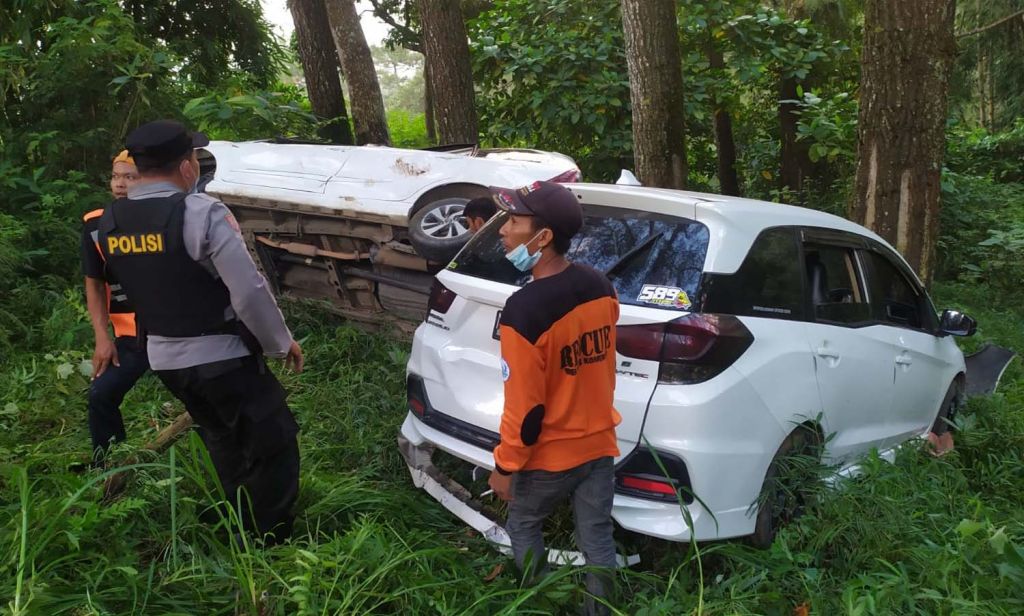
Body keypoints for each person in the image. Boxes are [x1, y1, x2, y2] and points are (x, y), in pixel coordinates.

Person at [97, 119, 304, 542]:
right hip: (222, 355)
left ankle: (237, 522)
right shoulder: (201, 213)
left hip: (165, 359)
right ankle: (271, 542)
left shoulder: (110, 221)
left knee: (222, 437)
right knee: (273, 442)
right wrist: (280, 344)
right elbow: (247, 291)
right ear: (187, 166)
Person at [487, 181, 621, 615]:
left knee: (524, 523)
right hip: (600, 446)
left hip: (550, 456)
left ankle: (541, 602)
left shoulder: (524, 311)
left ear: (542, 238)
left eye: (513, 222)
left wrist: (505, 466)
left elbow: (526, 410)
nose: (504, 231)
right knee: (597, 537)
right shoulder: (601, 286)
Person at [81, 150, 150, 464]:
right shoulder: (96, 225)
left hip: (172, 330)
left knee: (201, 398)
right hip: (129, 337)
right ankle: (110, 468)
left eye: (130, 176)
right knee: (100, 394)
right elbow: (94, 283)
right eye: (116, 176)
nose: (120, 184)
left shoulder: (166, 217)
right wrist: (101, 336)